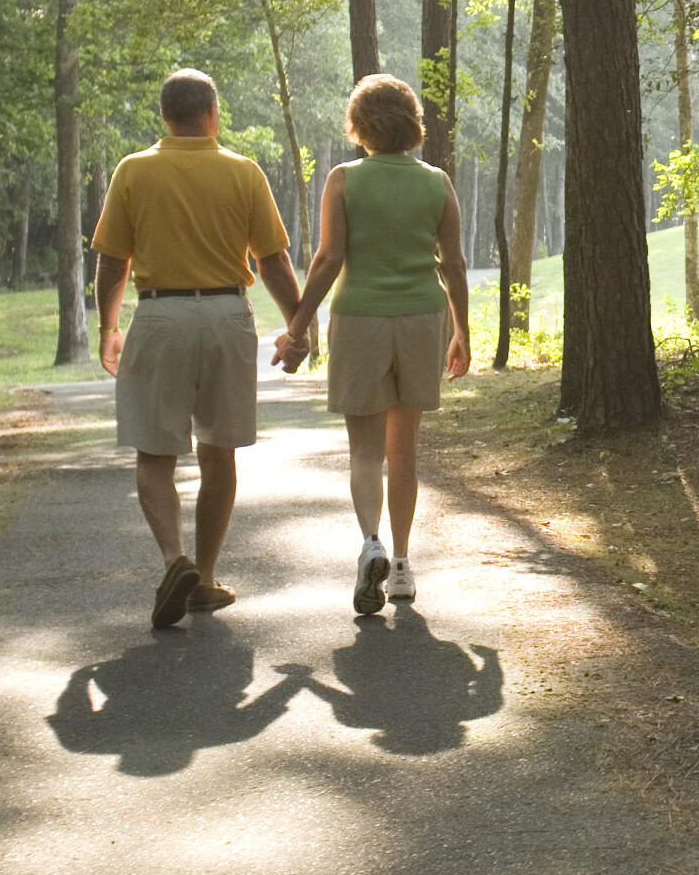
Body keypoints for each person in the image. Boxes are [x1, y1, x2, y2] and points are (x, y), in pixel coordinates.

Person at [93, 69, 302, 629]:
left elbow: (113, 260)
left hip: (160, 315)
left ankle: (172, 559)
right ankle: (204, 579)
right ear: (213, 112)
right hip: (228, 316)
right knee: (218, 453)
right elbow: (274, 260)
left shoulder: (133, 171)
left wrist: (108, 326)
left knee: (154, 453)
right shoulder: (243, 172)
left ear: (166, 116)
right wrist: (297, 326)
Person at [275, 74, 470, 616]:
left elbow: (329, 259)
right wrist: (462, 331)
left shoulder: (342, 180)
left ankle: (370, 545)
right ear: (412, 124)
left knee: (364, 449)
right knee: (402, 448)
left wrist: (298, 328)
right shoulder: (437, 182)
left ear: (359, 126)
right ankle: (404, 567)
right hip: (421, 319)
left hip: (359, 317)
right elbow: (453, 265)